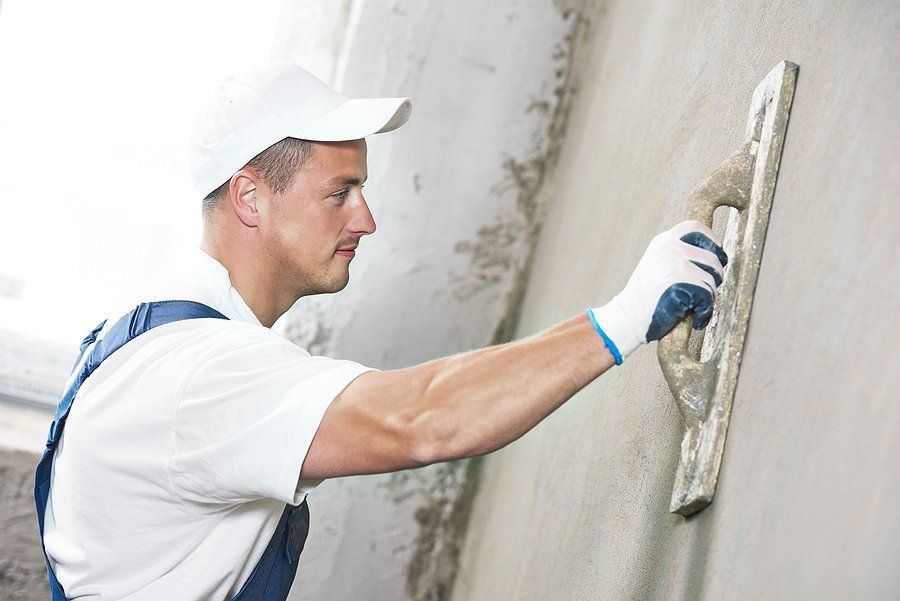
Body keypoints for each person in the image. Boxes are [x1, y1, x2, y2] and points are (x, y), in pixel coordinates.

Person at [34, 63, 727, 600]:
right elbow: (417, 418)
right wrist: (622, 317)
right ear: (250, 197)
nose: (366, 221)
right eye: (339, 193)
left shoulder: (145, 340)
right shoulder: (194, 376)